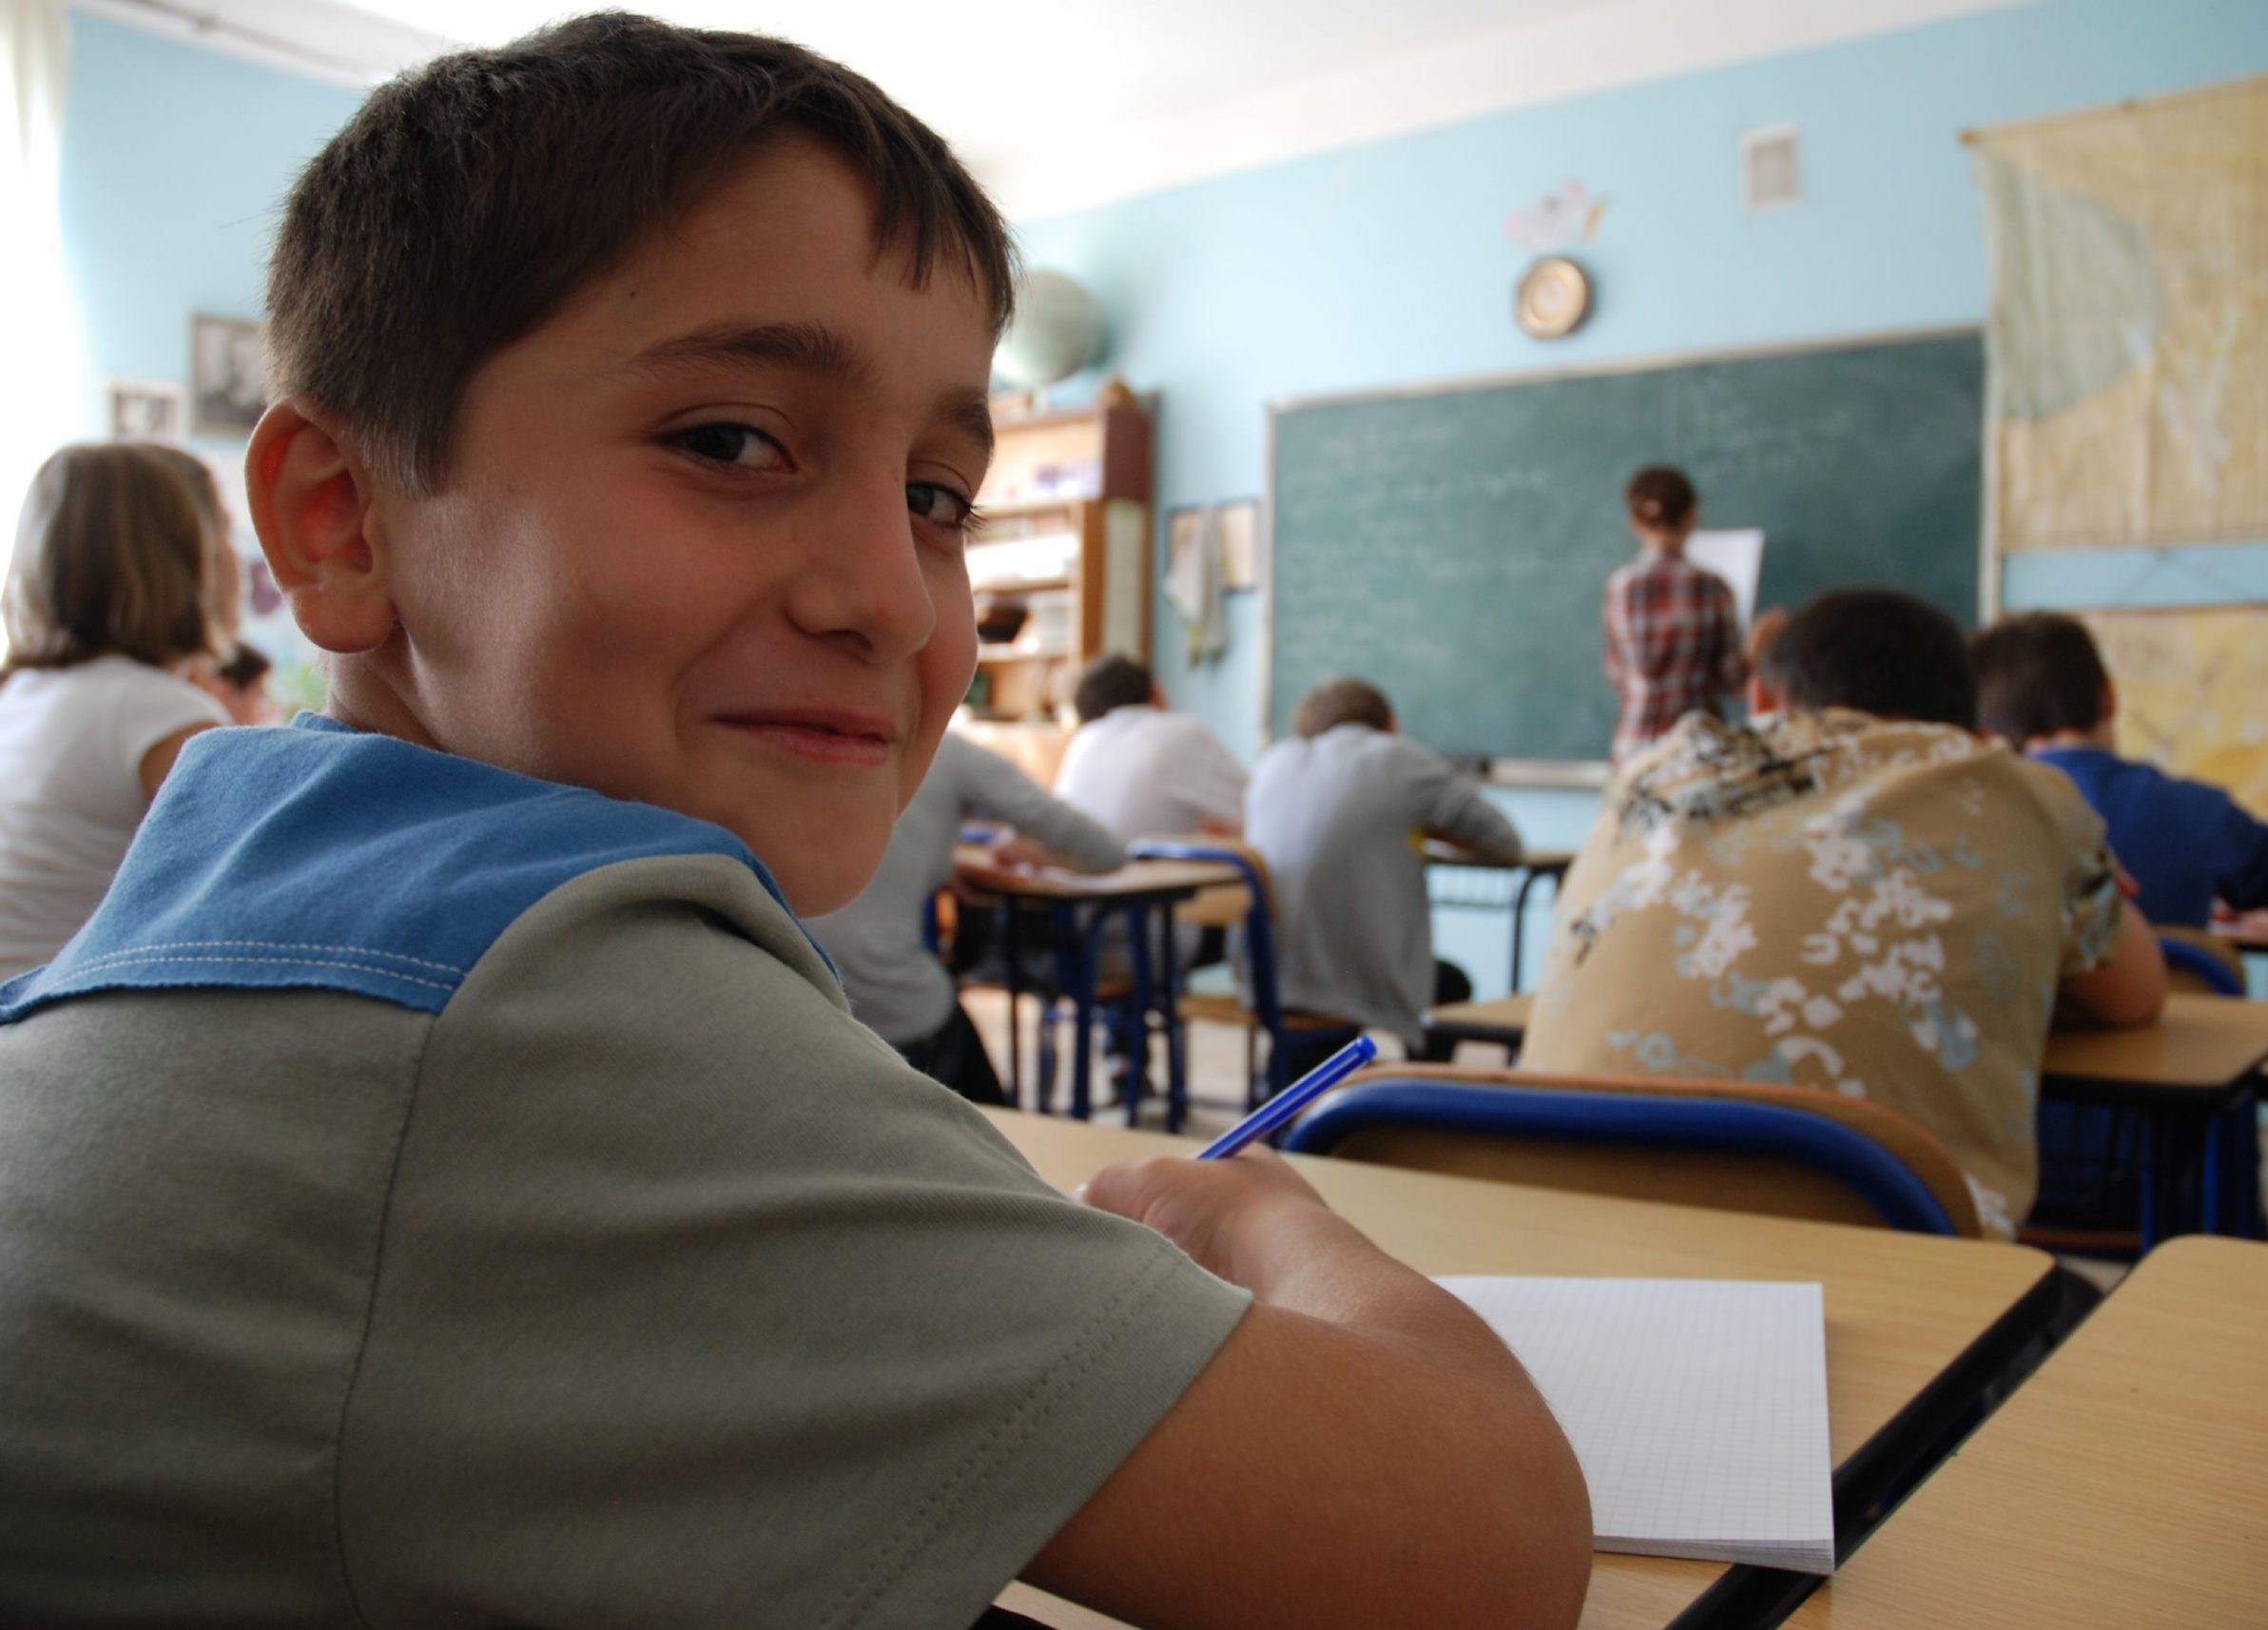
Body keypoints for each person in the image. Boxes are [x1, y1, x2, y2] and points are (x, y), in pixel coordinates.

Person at [0, 17, 1590, 1627]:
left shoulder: (246, 888)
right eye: (731, 441)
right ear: (344, 521)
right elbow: (1485, 1549)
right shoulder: (560, 1016)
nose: (893, 599)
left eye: (937, 496)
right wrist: (1258, 1213)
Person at [1522, 588, 2166, 1239]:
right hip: (1862, 1276)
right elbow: (2135, 995)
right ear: (1970, 727)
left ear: (1766, 700)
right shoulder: (2017, 791)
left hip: (1544, 1240)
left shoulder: (1650, 774)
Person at [1969, 611, 2268, 950]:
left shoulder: (1971, 817)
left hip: (2026, 1054)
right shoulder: (2200, 813)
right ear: (2109, 697)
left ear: (1980, 724)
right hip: (2172, 1048)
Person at [0, 443, 235, 980]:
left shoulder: (22, 692)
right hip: (41, 1026)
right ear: (183, 560)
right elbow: (236, 909)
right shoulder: (162, 715)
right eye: (219, 531)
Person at [806, 730, 1126, 1105]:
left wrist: (938, 862)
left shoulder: (761, 730)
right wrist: (1031, 856)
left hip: (777, 1000)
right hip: (883, 1003)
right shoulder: (947, 750)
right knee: (990, 1126)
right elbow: (1107, 852)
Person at [1247, 677, 1522, 1056]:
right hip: (1351, 977)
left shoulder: (1273, 762)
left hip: (1265, 974)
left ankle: (1302, 1075)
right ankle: (1421, 1099)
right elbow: (1503, 842)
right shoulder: (1401, 759)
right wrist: (1432, 831)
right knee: (1451, 986)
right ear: (1390, 725)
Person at [1603, 464, 1751, 761]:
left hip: (1635, 749)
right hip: (1698, 750)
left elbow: (1616, 674)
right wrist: (1760, 642)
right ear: (1692, 517)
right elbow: (1734, 682)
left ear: (1634, 523)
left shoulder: (1619, 586)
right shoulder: (1712, 587)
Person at [1052, 653, 1249, 842]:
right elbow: (1255, 809)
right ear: (1156, 690)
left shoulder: (1083, 740)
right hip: (1139, 873)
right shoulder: (1182, 733)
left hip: (1067, 875)